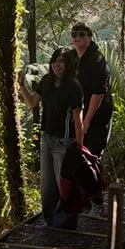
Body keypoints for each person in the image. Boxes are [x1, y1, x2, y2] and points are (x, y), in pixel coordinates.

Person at [18, 48, 83, 227]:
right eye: (55, 60)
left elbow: (78, 119)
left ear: (68, 64)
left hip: (65, 141)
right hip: (46, 138)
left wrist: (80, 147)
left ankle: (67, 222)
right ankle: (51, 222)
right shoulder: (46, 80)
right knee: (47, 185)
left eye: (61, 61)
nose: (57, 64)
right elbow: (32, 102)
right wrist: (22, 85)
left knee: (64, 184)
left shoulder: (73, 86)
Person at [67, 22, 113, 158]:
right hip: (76, 116)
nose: (77, 37)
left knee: (91, 156)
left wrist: (86, 122)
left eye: (81, 34)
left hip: (95, 118)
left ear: (89, 37)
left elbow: (98, 94)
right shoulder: (71, 57)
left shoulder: (97, 60)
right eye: (74, 34)